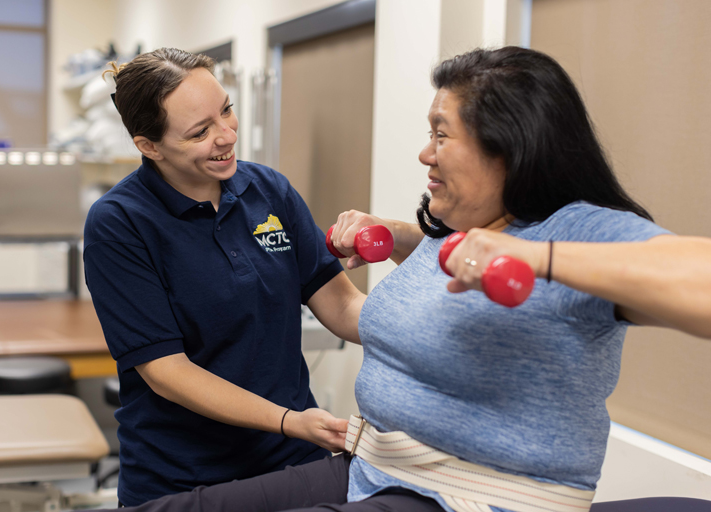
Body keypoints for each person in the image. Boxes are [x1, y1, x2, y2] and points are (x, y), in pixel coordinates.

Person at [93, 47, 711, 512]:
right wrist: (411, 235)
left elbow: (696, 280)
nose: (423, 153)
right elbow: (425, 296)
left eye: (441, 134)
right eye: (199, 132)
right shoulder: (462, 226)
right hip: (369, 463)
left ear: (510, 147)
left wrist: (541, 259)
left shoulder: (576, 232)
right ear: (151, 146)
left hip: (454, 486)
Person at [83, 48, 365, 506]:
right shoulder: (120, 222)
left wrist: (415, 324)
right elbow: (167, 373)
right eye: (200, 131)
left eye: (227, 111)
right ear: (148, 146)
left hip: (293, 461)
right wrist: (289, 419)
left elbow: (341, 304)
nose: (227, 135)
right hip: (185, 476)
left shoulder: (268, 189)